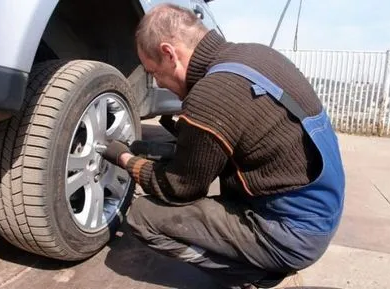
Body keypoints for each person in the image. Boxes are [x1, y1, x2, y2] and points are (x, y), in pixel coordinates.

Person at [100, 4, 345, 289]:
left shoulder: (210, 95)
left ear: (169, 54)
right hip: (321, 211)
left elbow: (178, 189)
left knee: (144, 217)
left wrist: (127, 159)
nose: (156, 82)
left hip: (291, 232)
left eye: (154, 72)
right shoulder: (255, 55)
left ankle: (258, 275)